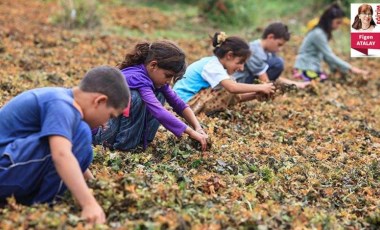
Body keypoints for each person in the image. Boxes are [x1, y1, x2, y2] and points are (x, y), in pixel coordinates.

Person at [0, 66, 130, 224]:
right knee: (81, 133)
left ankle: (38, 204)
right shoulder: (61, 105)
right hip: (4, 170)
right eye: (110, 116)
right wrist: (89, 203)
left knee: (83, 143)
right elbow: (61, 155)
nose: (106, 123)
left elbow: (75, 155)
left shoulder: (62, 99)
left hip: (11, 168)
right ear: (99, 101)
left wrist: (94, 186)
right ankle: (44, 209)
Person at [93, 41, 208, 151]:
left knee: (160, 93)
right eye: (168, 76)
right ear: (153, 65)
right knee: (135, 98)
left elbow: (179, 104)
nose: (169, 81)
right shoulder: (137, 77)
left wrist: (198, 127)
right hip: (101, 133)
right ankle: (124, 147)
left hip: (114, 128)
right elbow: (159, 111)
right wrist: (191, 132)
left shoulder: (154, 78)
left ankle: (140, 141)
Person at [173, 32, 275, 115]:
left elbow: (232, 96)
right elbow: (232, 89)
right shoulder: (213, 65)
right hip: (183, 104)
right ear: (229, 55)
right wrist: (261, 87)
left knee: (229, 85)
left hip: (186, 103)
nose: (241, 68)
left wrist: (255, 95)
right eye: (240, 62)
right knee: (229, 86)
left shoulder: (216, 66)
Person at [294, 3, 368, 81]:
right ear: (329, 20)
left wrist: (337, 69)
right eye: (337, 22)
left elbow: (326, 57)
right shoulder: (318, 34)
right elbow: (329, 56)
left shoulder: (322, 33)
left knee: (333, 80)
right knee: (326, 81)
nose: (339, 26)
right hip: (304, 69)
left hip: (311, 68)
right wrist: (351, 68)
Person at [234, 22, 310, 89]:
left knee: (277, 62)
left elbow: (273, 77)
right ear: (270, 37)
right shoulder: (255, 51)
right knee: (278, 63)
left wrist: (297, 84)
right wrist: (273, 92)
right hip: (241, 82)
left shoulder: (268, 52)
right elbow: (264, 79)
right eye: (279, 44)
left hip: (252, 79)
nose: (280, 49)